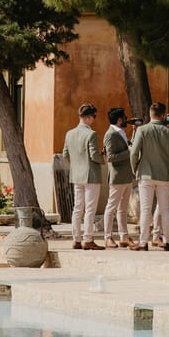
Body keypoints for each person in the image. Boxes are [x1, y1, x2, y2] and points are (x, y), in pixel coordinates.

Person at [129, 101, 169, 250]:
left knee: (145, 209)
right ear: (163, 115)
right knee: (165, 209)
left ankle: (143, 242)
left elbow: (134, 152)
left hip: (146, 173)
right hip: (164, 174)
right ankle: (168, 241)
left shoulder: (142, 130)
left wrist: (135, 168)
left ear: (150, 114)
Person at [62, 102, 105, 249]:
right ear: (87, 117)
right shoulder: (91, 134)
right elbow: (94, 155)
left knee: (77, 208)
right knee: (90, 208)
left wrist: (76, 162)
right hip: (91, 174)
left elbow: (65, 154)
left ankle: (76, 239)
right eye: (93, 116)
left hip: (76, 174)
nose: (94, 119)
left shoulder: (69, 133)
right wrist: (103, 158)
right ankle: (88, 239)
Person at [102, 107, 135, 247]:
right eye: (124, 117)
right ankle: (107, 236)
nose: (126, 119)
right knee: (111, 207)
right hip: (117, 177)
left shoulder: (121, 133)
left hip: (127, 176)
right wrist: (128, 152)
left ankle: (124, 236)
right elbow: (110, 157)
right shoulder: (110, 135)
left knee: (123, 208)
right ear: (120, 119)